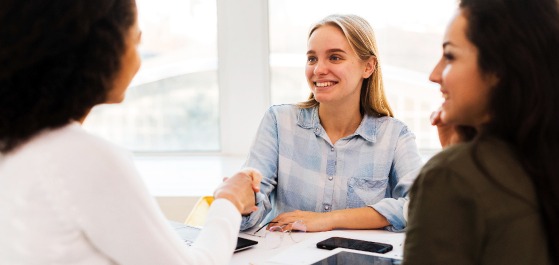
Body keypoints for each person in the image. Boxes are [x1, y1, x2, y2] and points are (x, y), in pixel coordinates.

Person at [0, 1, 262, 264]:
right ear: (102, 47)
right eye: (136, 38)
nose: (138, 54)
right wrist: (229, 200)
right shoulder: (82, 156)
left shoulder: (16, 145)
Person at [403, 0, 558, 263]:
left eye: (450, 56)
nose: (434, 74)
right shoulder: (541, 160)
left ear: (498, 68)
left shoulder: (451, 176)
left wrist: (454, 162)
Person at [240, 14, 423, 233]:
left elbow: (421, 206)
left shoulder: (395, 136)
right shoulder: (279, 122)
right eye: (312, 58)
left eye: (335, 57)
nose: (318, 70)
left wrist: (329, 219)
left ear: (368, 67)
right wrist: (239, 199)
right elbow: (252, 211)